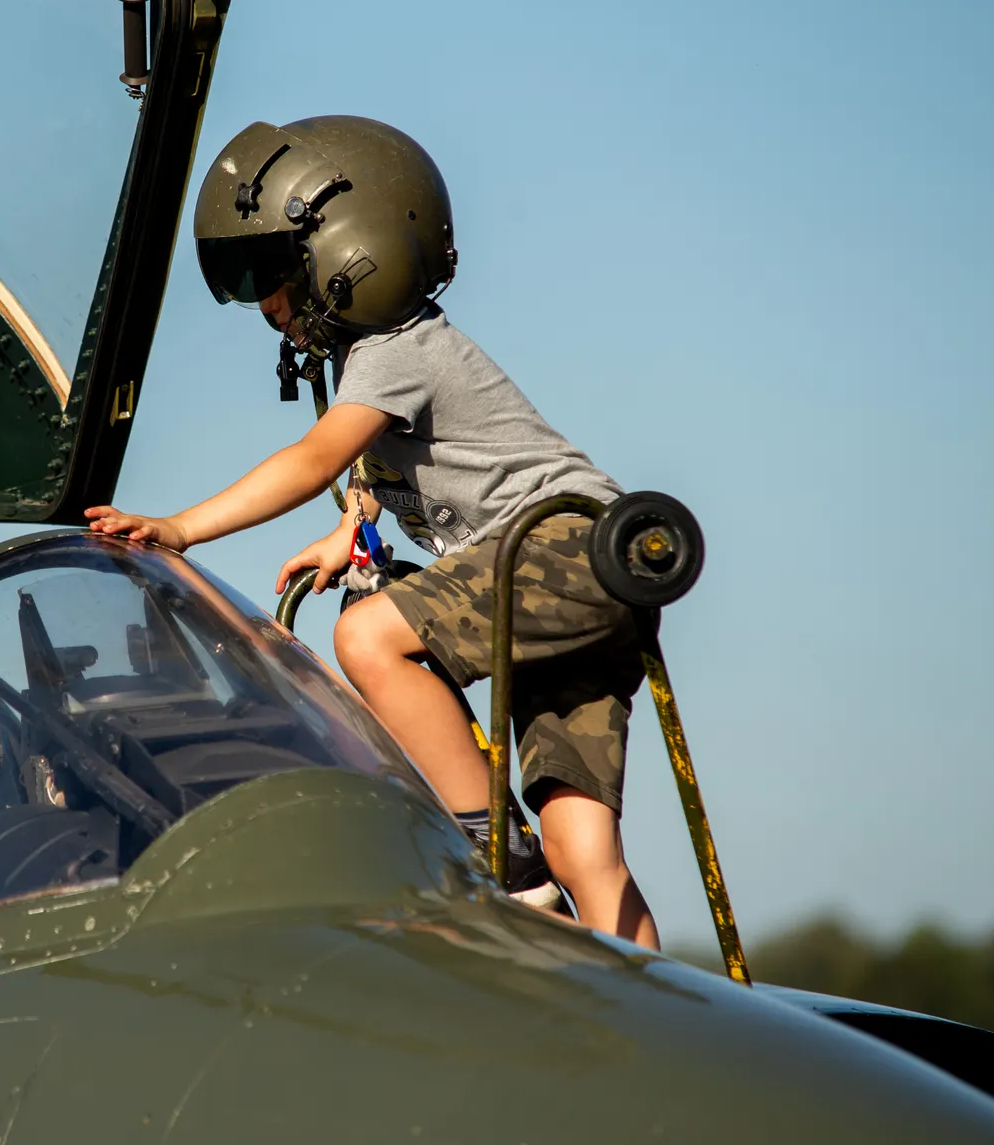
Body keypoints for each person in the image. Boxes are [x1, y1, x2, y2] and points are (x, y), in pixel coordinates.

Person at [86, 116, 659, 948]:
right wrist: (351, 527)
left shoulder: (397, 349)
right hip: (588, 581)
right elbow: (376, 470)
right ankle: (651, 1004)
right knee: (585, 851)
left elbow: (316, 457)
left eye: (276, 276)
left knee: (367, 638)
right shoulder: (381, 359)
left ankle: (492, 852)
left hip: (560, 551)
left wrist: (181, 528)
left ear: (350, 255)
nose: (268, 305)